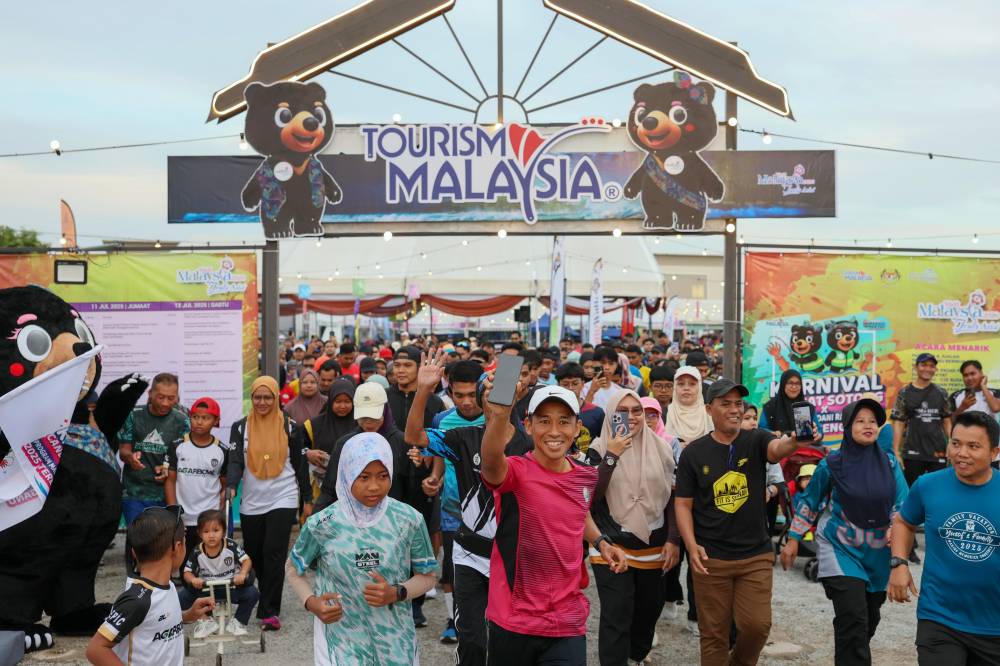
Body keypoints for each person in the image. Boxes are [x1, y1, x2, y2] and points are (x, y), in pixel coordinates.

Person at [480, 383, 628, 665]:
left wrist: (601, 542)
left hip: (566, 619)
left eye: (564, 421)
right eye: (544, 421)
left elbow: (579, 513)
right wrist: (500, 415)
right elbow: (490, 462)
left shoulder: (585, 475)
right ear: (528, 426)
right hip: (514, 619)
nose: (554, 431)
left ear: (577, 428)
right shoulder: (516, 472)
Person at [406, 358, 533, 665]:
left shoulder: (530, 446)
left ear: (512, 398)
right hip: (470, 555)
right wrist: (423, 389)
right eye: (486, 396)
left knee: (509, 638)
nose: (493, 402)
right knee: (473, 639)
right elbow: (414, 437)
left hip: (513, 556)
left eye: (499, 394)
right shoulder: (464, 438)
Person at [675, 379, 798, 666]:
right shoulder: (694, 453)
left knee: (757, 627)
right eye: (726, 404)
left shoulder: (756, 439)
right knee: (713, 635)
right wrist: (691, 546)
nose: (735, 409)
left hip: (755, 555)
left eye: (738, 404)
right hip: (711, 558)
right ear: (709, 409)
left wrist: (795, 442)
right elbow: (682, 504)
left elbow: (777, 449)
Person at [287, 433, 438, 666]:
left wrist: (397, 592)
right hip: (339, 645)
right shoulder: (322, 524)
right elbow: (293, 569)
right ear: (347, 473)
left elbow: (427, 576)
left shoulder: (409, 519)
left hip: (396, 644)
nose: (374, 486)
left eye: (383, 476)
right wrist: (312, 602)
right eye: (364, 477)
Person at [780, 398, 908, 666]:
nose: (868, 425)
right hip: (840, 549)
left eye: (872, 421)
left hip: (877, 554)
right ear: (847, 426)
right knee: (853, 617)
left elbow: (902, 503)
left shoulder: (890, 464)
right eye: (860, 421)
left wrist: (895, 530)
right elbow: (810, 501)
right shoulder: (831, 464)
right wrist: (793, 539)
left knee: (868, 620)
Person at [888, 410, 1000, 665]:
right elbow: (904, 522)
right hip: (939, 618)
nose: (961, 453)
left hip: (994, 626)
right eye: (955, 443)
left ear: (994, 452)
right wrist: (899, 563)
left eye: (973, 446)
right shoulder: (927, 485)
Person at [588, 391, 679, 665]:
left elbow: (673, 496)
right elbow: (592, 496)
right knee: (616, 612)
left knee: (648, 611)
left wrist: (673, 538)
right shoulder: (597, 449)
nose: (631, 417)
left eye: (636, 410)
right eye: (622, 411)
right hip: (610, 543)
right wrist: (612, 456)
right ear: (611, 415)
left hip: (653, 543)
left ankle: (636, 656)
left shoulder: (662, 448)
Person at [227, 376, 311, 631]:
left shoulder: (290, 426)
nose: (262, 402)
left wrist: (306, 500)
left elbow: (300, 466)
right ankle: (266, 594)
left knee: (274, 552)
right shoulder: (240, 427)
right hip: (252, 501)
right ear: (252, 398)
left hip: (283, 496)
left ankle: (269, 610)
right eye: (257, 397)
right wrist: (231, 485)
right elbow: (235, 460)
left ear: (276, 399)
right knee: (254, 554)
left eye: (267, 397)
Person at [86, 506, 214, 666]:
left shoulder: (167, 585)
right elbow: (95, 649)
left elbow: (155, 621)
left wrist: (188, 615)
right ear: (178, 547)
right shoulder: (138, 600)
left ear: (134, 553)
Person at [426, 359, 486, 644]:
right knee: (452, 568)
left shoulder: (497, 416)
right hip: (453, 509)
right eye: (458, 395)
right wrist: (434, 478)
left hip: (491, 511)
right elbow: (440, 457)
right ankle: (454, 620)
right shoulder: (442, 420)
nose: (466, 402)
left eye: (472, 395)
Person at [118, 373, 190, 525]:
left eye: (171, 398)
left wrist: (168, 468)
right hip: (135, 493)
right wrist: (130, 458)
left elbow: (186, 458)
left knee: (164, 537)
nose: (165, 403)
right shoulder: (133, 415)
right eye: (160, 397)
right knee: (138, 536)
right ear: (150, 394)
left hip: (168, 494)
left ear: (177, 397)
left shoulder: (182, 421)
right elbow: (123, 451)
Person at [164, 397, 227, 562]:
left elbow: (224, 484)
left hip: (209, 520)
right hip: (183, 519)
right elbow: (170, 481)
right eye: (195, 417)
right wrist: (174, 514)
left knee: (209, 564)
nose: (199, 422)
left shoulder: (222, 450)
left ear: (216, 421)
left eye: (205, 418)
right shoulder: (177, 446)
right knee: (184, 565)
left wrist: (218, 511)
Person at [179, 509, 259, 638]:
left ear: (224, 531)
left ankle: (238, 621)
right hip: (207, 589)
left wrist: (242, 573)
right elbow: (187, 572)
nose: (211, 535)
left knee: (253, 593)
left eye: (216, 530)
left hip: (232, 586)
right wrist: (193, 579)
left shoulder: (231, 546)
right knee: (182, 597)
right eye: (206, 531)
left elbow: (246, 561)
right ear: (199, 533)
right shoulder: (197, 552)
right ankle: (206, 620)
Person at [303, 379, 356, 502]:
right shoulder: (313, 425)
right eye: (338, 401)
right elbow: (297, 448)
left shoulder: (361, 425)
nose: (342, 406)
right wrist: (307, 453)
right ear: (331, 400)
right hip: (320, 490)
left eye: (347, 401)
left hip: (353, 490)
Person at [760, 369, 823, 445]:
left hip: (804, 449)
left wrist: (817, 435)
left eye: (797, 383)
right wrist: (772, 433)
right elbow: (761, 429)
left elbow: (819, 431)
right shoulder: (770, 406)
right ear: (783, 384)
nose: (794, 386)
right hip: (779, 449)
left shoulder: (807, 407)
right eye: (790, 383)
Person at [557, 361, 605, 456]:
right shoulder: (552, 412)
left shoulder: (596, 412)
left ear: (582, 384)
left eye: (575, 383)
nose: (570, 388)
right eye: (565, 384)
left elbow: (604, 442)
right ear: (558, 385)